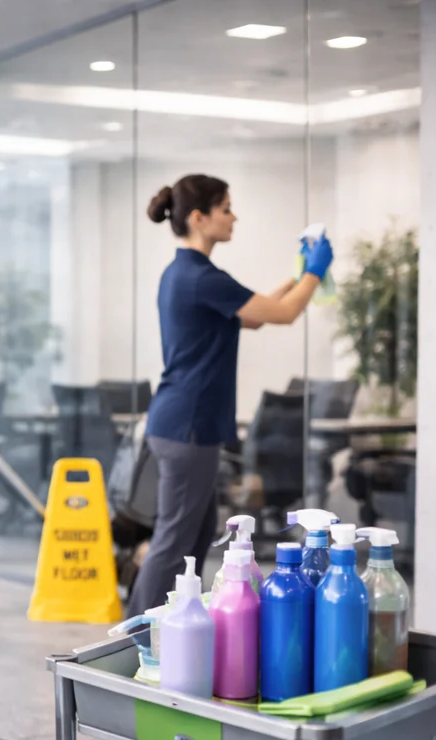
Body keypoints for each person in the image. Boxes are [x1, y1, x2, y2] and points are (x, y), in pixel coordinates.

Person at [125, 174, 333, 616]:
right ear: (199, 218)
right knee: (173, 543)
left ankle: (176, 626)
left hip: (182, 425)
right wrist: (315, 271)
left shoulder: (186, 274)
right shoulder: (202, 278)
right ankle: (135, 638)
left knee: (193, 541)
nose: (233, 216)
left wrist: (298, 277)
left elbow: (254, 313)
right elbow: (283, 314)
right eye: (226, 208)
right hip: (187, 428)